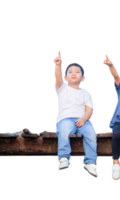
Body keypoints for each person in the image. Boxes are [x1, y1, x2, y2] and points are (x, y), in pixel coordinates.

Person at [52, 50, 99, 178]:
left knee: (91, 132)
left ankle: (91, 162)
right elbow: (57, 76)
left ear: (83, 78)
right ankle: (63, 158)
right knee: (65, 129)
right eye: (70, 72)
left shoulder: (86, 93)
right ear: (65, 77)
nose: (74, 74)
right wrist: (58, 65)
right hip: (65, 119)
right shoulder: (62, 88)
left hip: (84, 120)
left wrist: (84, 119)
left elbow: (90, 109)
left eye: (77, 72)